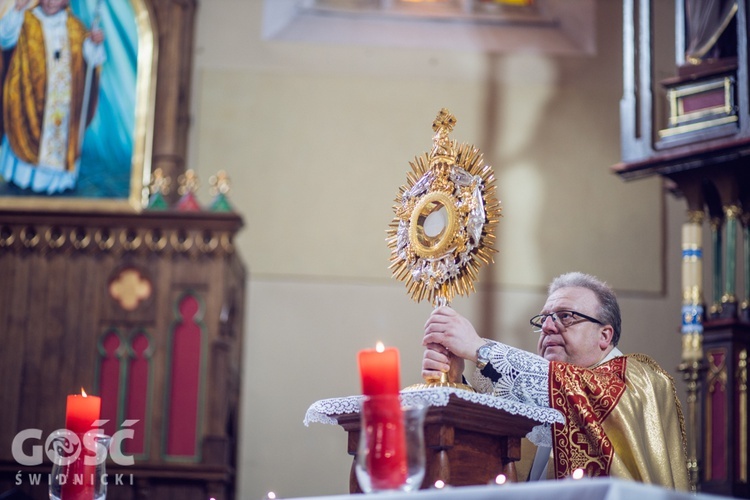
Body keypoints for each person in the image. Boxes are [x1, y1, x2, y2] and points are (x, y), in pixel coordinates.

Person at [422, 271, 689, 489]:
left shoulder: (639, 380)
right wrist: (456, 382)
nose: (548, 326)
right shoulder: (535, 395)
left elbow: (579, 388)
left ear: (605, 336)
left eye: (565, 316)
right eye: (544, 319)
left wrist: (480, 349)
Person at [0, 0, 105, 194]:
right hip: (28, 101)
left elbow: (91, 60)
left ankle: (57, 184)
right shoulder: (26, 19)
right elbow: (5, 38)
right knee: (24, 136)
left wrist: (93, 44)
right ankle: (22, 179)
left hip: (62, 107)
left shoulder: (74, 27)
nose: (49, 1)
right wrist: (16, 10)